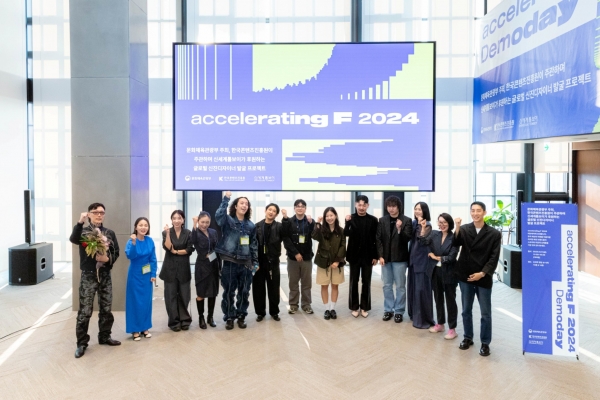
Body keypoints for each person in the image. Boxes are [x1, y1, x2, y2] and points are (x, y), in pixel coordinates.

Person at [69, 202, 120, 359]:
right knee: (85, 311)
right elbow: (73, 239)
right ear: (89, 214)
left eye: (102, 212)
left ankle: (104, 336)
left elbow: (116, 252)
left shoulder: (109, 233)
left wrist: (107, 258)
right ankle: (82, 343)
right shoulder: (83, 232)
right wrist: (79, 222)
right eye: (96, 212)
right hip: (89, 275)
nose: (99, 215)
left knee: (106, 308)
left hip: (105, 275)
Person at [453, 201, 502, 357]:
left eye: (478, 210)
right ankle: (468, 337)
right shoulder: (465, 229)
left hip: (483, 276)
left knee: (485, 313)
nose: (475, 213)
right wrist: (457, 226)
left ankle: (485, 343)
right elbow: (455, 242)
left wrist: (482, 273)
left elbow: (494, 258)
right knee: (466, 310)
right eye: (472, 210)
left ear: (484, 212)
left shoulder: (494, 233)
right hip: (465, 274)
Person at [215, 191, 259, 330]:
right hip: (230, 262)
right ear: (236, 206)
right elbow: (218, 216)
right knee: (228, 292)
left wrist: (255, 262)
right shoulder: (227, 220)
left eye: (246, 204)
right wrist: (226, 199)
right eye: (241, 203)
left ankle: (241, 316)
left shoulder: (251, 226)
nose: (244, 205)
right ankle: (229, 317)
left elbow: (253, 245)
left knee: (244, 292)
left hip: (246, 264)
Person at [376, 196, 413, 323]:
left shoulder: (407, 220)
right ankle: (388, 310)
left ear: (398, 207)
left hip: (400, 259)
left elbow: (407, 239)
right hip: (385, 259)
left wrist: (399, 229)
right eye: (389, 206)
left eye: (393, 206)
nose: (391, 209)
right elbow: (378, 239)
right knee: (387, 285)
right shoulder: (382, 220)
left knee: (400, 286)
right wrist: (380, 256)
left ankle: (399, 311)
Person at [159, 210, 194, 332]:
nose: (177, 220)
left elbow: (189, 249)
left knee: (185, 295)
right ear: (171, 220)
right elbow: (167, 247)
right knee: (171, 296)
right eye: (174, 218)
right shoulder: (165, 232)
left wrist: (176, 252)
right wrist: (168, 234)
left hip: (184, 268)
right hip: (170, 268)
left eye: (179, 218)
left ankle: (184, 320)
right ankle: (174, 321)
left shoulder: (188, 233)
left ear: (183, 220)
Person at [344, 195, 378, 318]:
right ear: (355, 205)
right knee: (354, 281)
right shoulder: (351, 218)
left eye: (364, 205)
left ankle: (364, 307)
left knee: (366, 281)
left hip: (368, 256)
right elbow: (346, 233)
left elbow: (376, 239)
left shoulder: (373, 220)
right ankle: (354, 307)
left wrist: (376, 256)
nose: (362, 207)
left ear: (368, 205)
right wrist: (347, 222)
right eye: (359, 205)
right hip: (354, 256)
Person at [427, 213, 459, 339]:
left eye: (444, 222)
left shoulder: (454, 237)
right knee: (438, 298)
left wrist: (436, 257)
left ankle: (452, 329)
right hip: (435, 271)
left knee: (450, 300)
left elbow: (452, 257)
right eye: (440, 222)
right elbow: (426, 244)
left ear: (449, 223)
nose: (442, 225)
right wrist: (431, 253)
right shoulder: (435, 234)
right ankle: (440, 324)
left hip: (449, 272)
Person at [125, 217, 158, 341]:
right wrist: (133, 244)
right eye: (141, 225)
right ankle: (134, 330)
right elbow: (130, 256)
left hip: (147, 274)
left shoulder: (150, 241)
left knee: (146, 302)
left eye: (146, 225)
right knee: (134, 302)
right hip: (134, 274)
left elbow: (153, 259)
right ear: (136, 227)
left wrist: (153, 274)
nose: (143, 227)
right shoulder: (131, 241)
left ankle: (145, 327)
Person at [282, 199, 315, 314]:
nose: (300, 208)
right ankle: (293, 304)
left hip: (306, 258)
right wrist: (296, 253)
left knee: (306, 283)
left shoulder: (310, 221)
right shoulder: (289, 221)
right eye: (297, 206)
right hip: (293, 258)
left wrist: (313, 223)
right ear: (294, 208)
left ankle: (306, 304)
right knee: (293, 282)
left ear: (305, 208)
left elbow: (315, 235)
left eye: (302, 206)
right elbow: (286, 239)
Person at [313, 207, 346, 320]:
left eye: (331, 215)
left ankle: (332, 308)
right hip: (323, 262)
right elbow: (314, 236)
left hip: (336, 264)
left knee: (335, 285)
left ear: (335, 216)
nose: (329, 218)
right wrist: (317, 223)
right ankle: (326, 309)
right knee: (324, 286)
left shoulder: (341, 230)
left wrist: (337, 261)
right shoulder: (321, 229)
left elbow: (343, 246)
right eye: (327, 216)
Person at [253, 203, 284, 322]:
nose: (271, 212)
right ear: (265, 211)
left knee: (274, 288)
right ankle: (260, 312)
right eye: (269, 210)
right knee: (258, 288)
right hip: (259, 262)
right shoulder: (257, 226)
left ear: (276, 214)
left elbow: (286, 234)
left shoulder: (279, 227)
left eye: (274, 211)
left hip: (273, 261)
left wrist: (285, 219)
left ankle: (274, 312)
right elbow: (253, 244)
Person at [407, 202, 435, 329]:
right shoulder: (413, 223)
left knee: (421, 289)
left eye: (420, 209)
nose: (417, 211)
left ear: (424, 211)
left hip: (422, 261)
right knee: (413, 288)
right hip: (413, 260)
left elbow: (423, 241)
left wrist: (422, 227)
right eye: (416, 209)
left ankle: (423, 319)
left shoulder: (428, 225)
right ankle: (414, 314)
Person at [191, 211, 220, 329]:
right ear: (198, 221)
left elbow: (216, 247)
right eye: (202, 222)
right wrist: (194, 225)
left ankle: (210, 317)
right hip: (201, 266)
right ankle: (201, 317)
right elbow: (192, 241)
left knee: (213, 292)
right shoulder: (195, 233)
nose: (205, 224)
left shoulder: (213, 232)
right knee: (201, 293)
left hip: (213, 265)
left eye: (207, 222)